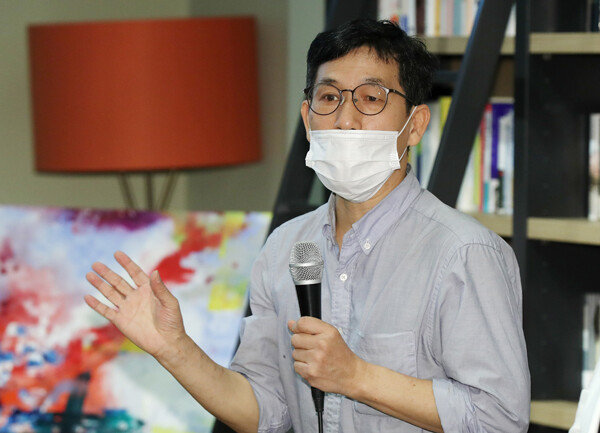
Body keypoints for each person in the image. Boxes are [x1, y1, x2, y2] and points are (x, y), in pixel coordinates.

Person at [85, 19, 530, 433]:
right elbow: (265, 410)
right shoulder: (286, 247)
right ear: (307, 118)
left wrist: (356, 376)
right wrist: (174, 349)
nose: (345, 119)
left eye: (371, 98)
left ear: (415, 126)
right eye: (329, 97)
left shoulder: (464, 253)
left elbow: (500, 419)